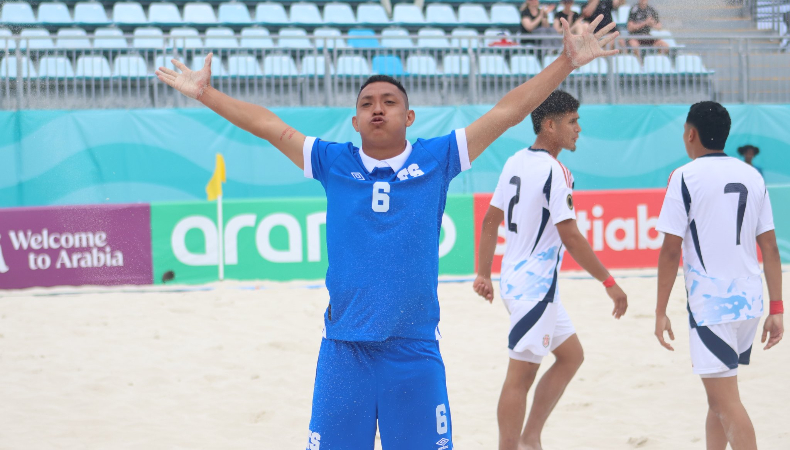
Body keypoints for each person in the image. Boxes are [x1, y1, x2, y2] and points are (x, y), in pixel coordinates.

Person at [156, 16, 620, 450]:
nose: (377, 109)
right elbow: (270, 128)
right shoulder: (334, 162)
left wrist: (565, 63)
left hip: (414, 351)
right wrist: (205, 94)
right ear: (355, 122)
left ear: (409, 116)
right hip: (343, 353)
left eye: (389, 102)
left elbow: (506, 113)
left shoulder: (437, 159)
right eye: (366, 104)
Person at [474, 90, 628, 450]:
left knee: (572, 355)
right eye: (573, 122)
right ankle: (512, 445)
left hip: (521, 282)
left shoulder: (514, 160)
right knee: (519, 378)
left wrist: (483, 273)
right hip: (534, 288)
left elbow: (489, 222)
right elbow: (571, 236)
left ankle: (531, 436)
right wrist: (609, 281)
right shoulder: (556, 172)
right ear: (550, 124)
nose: (578, 129)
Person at [654, 101, 784, 450]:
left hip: (712, 305)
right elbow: (770, 249)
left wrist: (659, 310)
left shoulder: (684, 176)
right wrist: (777, 308)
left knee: (726, 402)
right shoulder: (751, 175)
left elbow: (669, 251)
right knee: (720, 395)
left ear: (691, 134)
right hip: (749, 301)